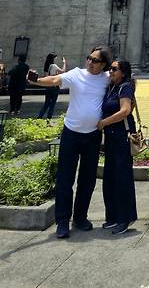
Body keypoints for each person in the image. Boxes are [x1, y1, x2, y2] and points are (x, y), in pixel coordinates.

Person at [28, 46, 112, 239]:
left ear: (104, 65)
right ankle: (63, 221)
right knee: (65, 179)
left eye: (95, 60)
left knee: (87, 179)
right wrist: (37, 80)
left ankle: (80, 218)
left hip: (92, 135)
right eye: (89, 58)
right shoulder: (76, 74)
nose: (90, 62)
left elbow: (124, 79)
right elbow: (56, 80)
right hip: (71, 133)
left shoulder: (106, 78)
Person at [97, 59, 138, 235]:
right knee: (110, 178)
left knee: (122, 179)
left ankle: (125, 218)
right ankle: (113, 217)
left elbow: (125, 111)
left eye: (114, 69)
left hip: (122, 137)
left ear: (123, 72)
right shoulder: (112, 87)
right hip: (111, 138)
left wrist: (103, 122)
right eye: (110, 69)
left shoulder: (125, 87)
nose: (110, 72)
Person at [37, 53, 66, 119]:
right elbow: (63, 71)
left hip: (48, 86)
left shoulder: (47, 65)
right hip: (54, 86)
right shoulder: (53, 65)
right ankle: (48, 119)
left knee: (46, 104)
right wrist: (64, 63)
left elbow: (45, 76)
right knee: (52, 104)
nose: (56, 59)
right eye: (55, 57)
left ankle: (39, 118)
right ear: (53, 58)